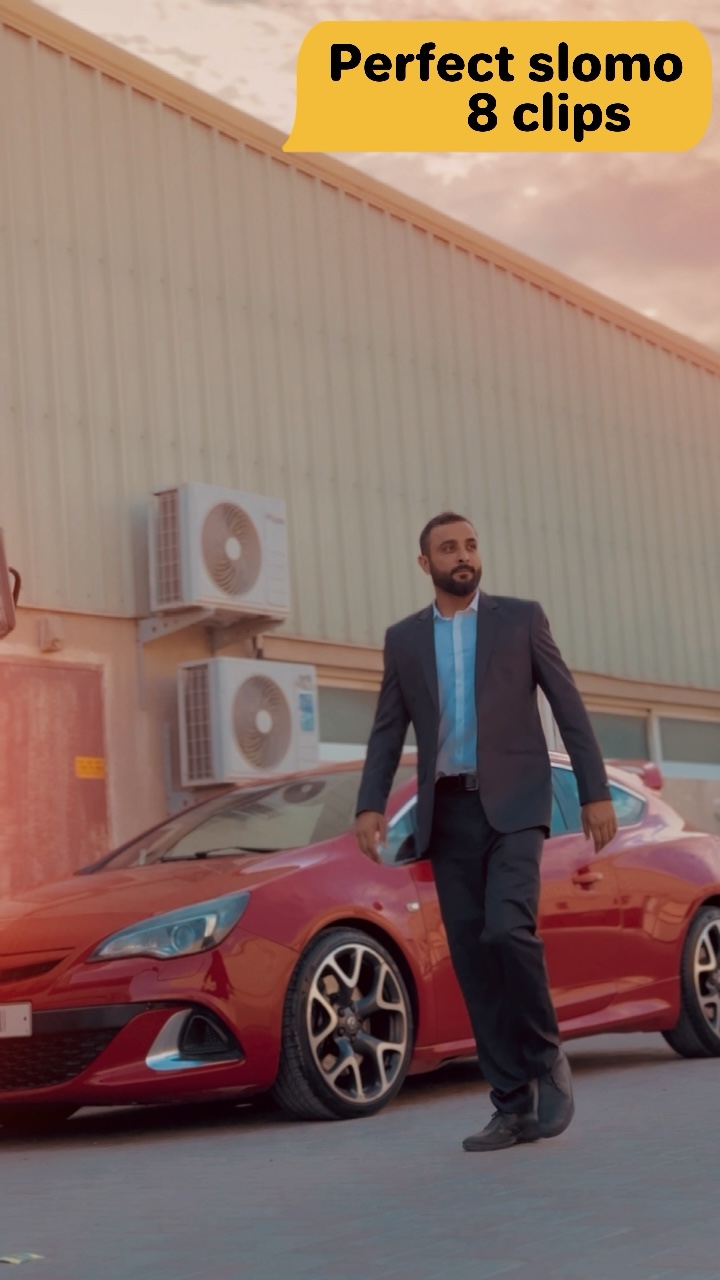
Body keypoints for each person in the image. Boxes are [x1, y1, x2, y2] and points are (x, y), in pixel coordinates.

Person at [355, 512, 617, 1152]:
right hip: (448, 814)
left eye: (471, 545)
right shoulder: (404, 640)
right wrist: (369, 804)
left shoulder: (520, 620)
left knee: (507, 930)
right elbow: (388, 728)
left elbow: (567, 704)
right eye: (449, 548)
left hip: (517, 806)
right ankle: (510, 1104)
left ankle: (545, 1056)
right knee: (473, 961)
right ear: (427, 564)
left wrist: (594, 791)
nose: (464, 555)